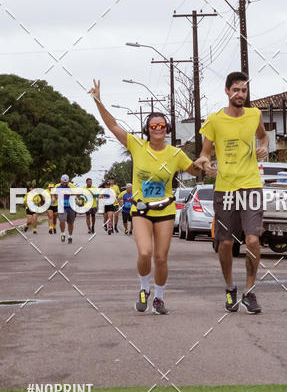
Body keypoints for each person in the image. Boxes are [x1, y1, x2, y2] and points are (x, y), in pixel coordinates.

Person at [89, 79, 203, 314]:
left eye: (162, 125)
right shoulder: (137, 146)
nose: (158, 128)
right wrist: (98, 101)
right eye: (153, 126)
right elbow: (113, 126)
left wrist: (204, 164)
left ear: (167, 128)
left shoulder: (176, 154)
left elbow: (194, 170)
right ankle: (144, 288)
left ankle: (159, 297)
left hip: (166, 210)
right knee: (145, 253)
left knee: (160, 258)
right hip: (141, 210)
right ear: (147, 130)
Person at [195, 71, 270, 315]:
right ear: (227, 91)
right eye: (236, 90)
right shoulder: (214, 120)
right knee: (225, 243)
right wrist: (206, 163)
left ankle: (249, 291)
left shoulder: (254, 114)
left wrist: (264, 147)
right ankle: (230, 288)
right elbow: (206, 153)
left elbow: (263, 137)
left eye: (244, 90)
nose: (240, 94)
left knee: (252, 240)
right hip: (225, 187)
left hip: (250, 185)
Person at [57, 174, 76, 244]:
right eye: (63, 182)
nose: (64, 183)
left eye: (66, 182)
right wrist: (53, 198)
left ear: (68, 182)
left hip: (71, 208)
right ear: (61, 181)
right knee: (62, 220)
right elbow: (54, 195)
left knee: (70, 223)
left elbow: (75, 195)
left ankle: (70, 236)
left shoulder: (71, 189)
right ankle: (63, 234)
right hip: (62, 208)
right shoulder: (58, 188)